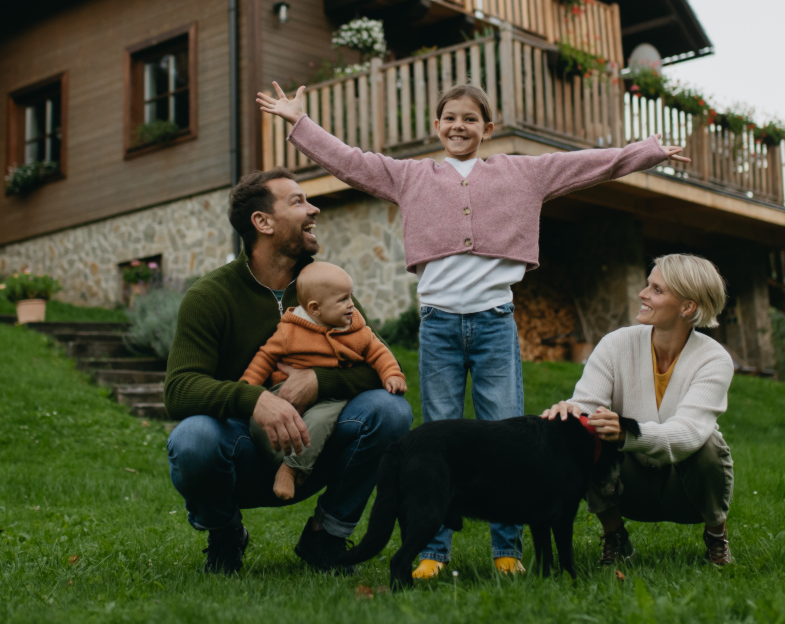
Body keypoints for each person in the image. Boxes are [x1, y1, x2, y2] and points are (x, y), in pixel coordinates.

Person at [258, 80, 690, 578]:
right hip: (438, 326)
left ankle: (508, 550)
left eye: (469, 119)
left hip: (494, 325)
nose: (458, 126)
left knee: (509, 435)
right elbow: (351, 161)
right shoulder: (410, 175)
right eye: (449, 118)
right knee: (441, 435)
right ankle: (432, 552)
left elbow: (588, 163)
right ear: (436, 126)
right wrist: (300, 122)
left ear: (487, 129)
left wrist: (649, 151)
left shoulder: (523, 172)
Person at [164, 169, 413, 575]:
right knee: (192, 439)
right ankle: (225, 534)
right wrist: (256, 399)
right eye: (297, 202)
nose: (313, 208)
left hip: (318, 443)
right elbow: (179, 389)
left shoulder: (323, 287)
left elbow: (378, 363)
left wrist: (320, 382)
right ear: (262, 223)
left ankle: (326, 537)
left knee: (391, 411)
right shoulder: (210, 296)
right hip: (242, 447)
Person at [541, 254, 737, 566]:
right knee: (578, 431)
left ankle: (716, 535)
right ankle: (615, 536)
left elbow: (687, 434)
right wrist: (571, 412)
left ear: (688, 307)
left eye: (657, 290)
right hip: (628, 486)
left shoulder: (714, 360)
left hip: (686, 493)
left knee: (709, 444)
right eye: (648, 285)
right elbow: (587, 404)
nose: (642, 294)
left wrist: (626, 432)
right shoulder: (615, 344)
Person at [240, 261, 408, 501]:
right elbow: (265, 357)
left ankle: (292, 468)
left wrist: (392, 374)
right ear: (315, 308)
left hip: (329, 397)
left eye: (351, 296)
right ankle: (278, 459)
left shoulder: (355, 329)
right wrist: (249, 390)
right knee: (259, 421)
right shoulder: (290, 331)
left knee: (319, 421)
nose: (351, 305)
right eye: (343, 300)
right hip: (284, 390)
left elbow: (378, 351)